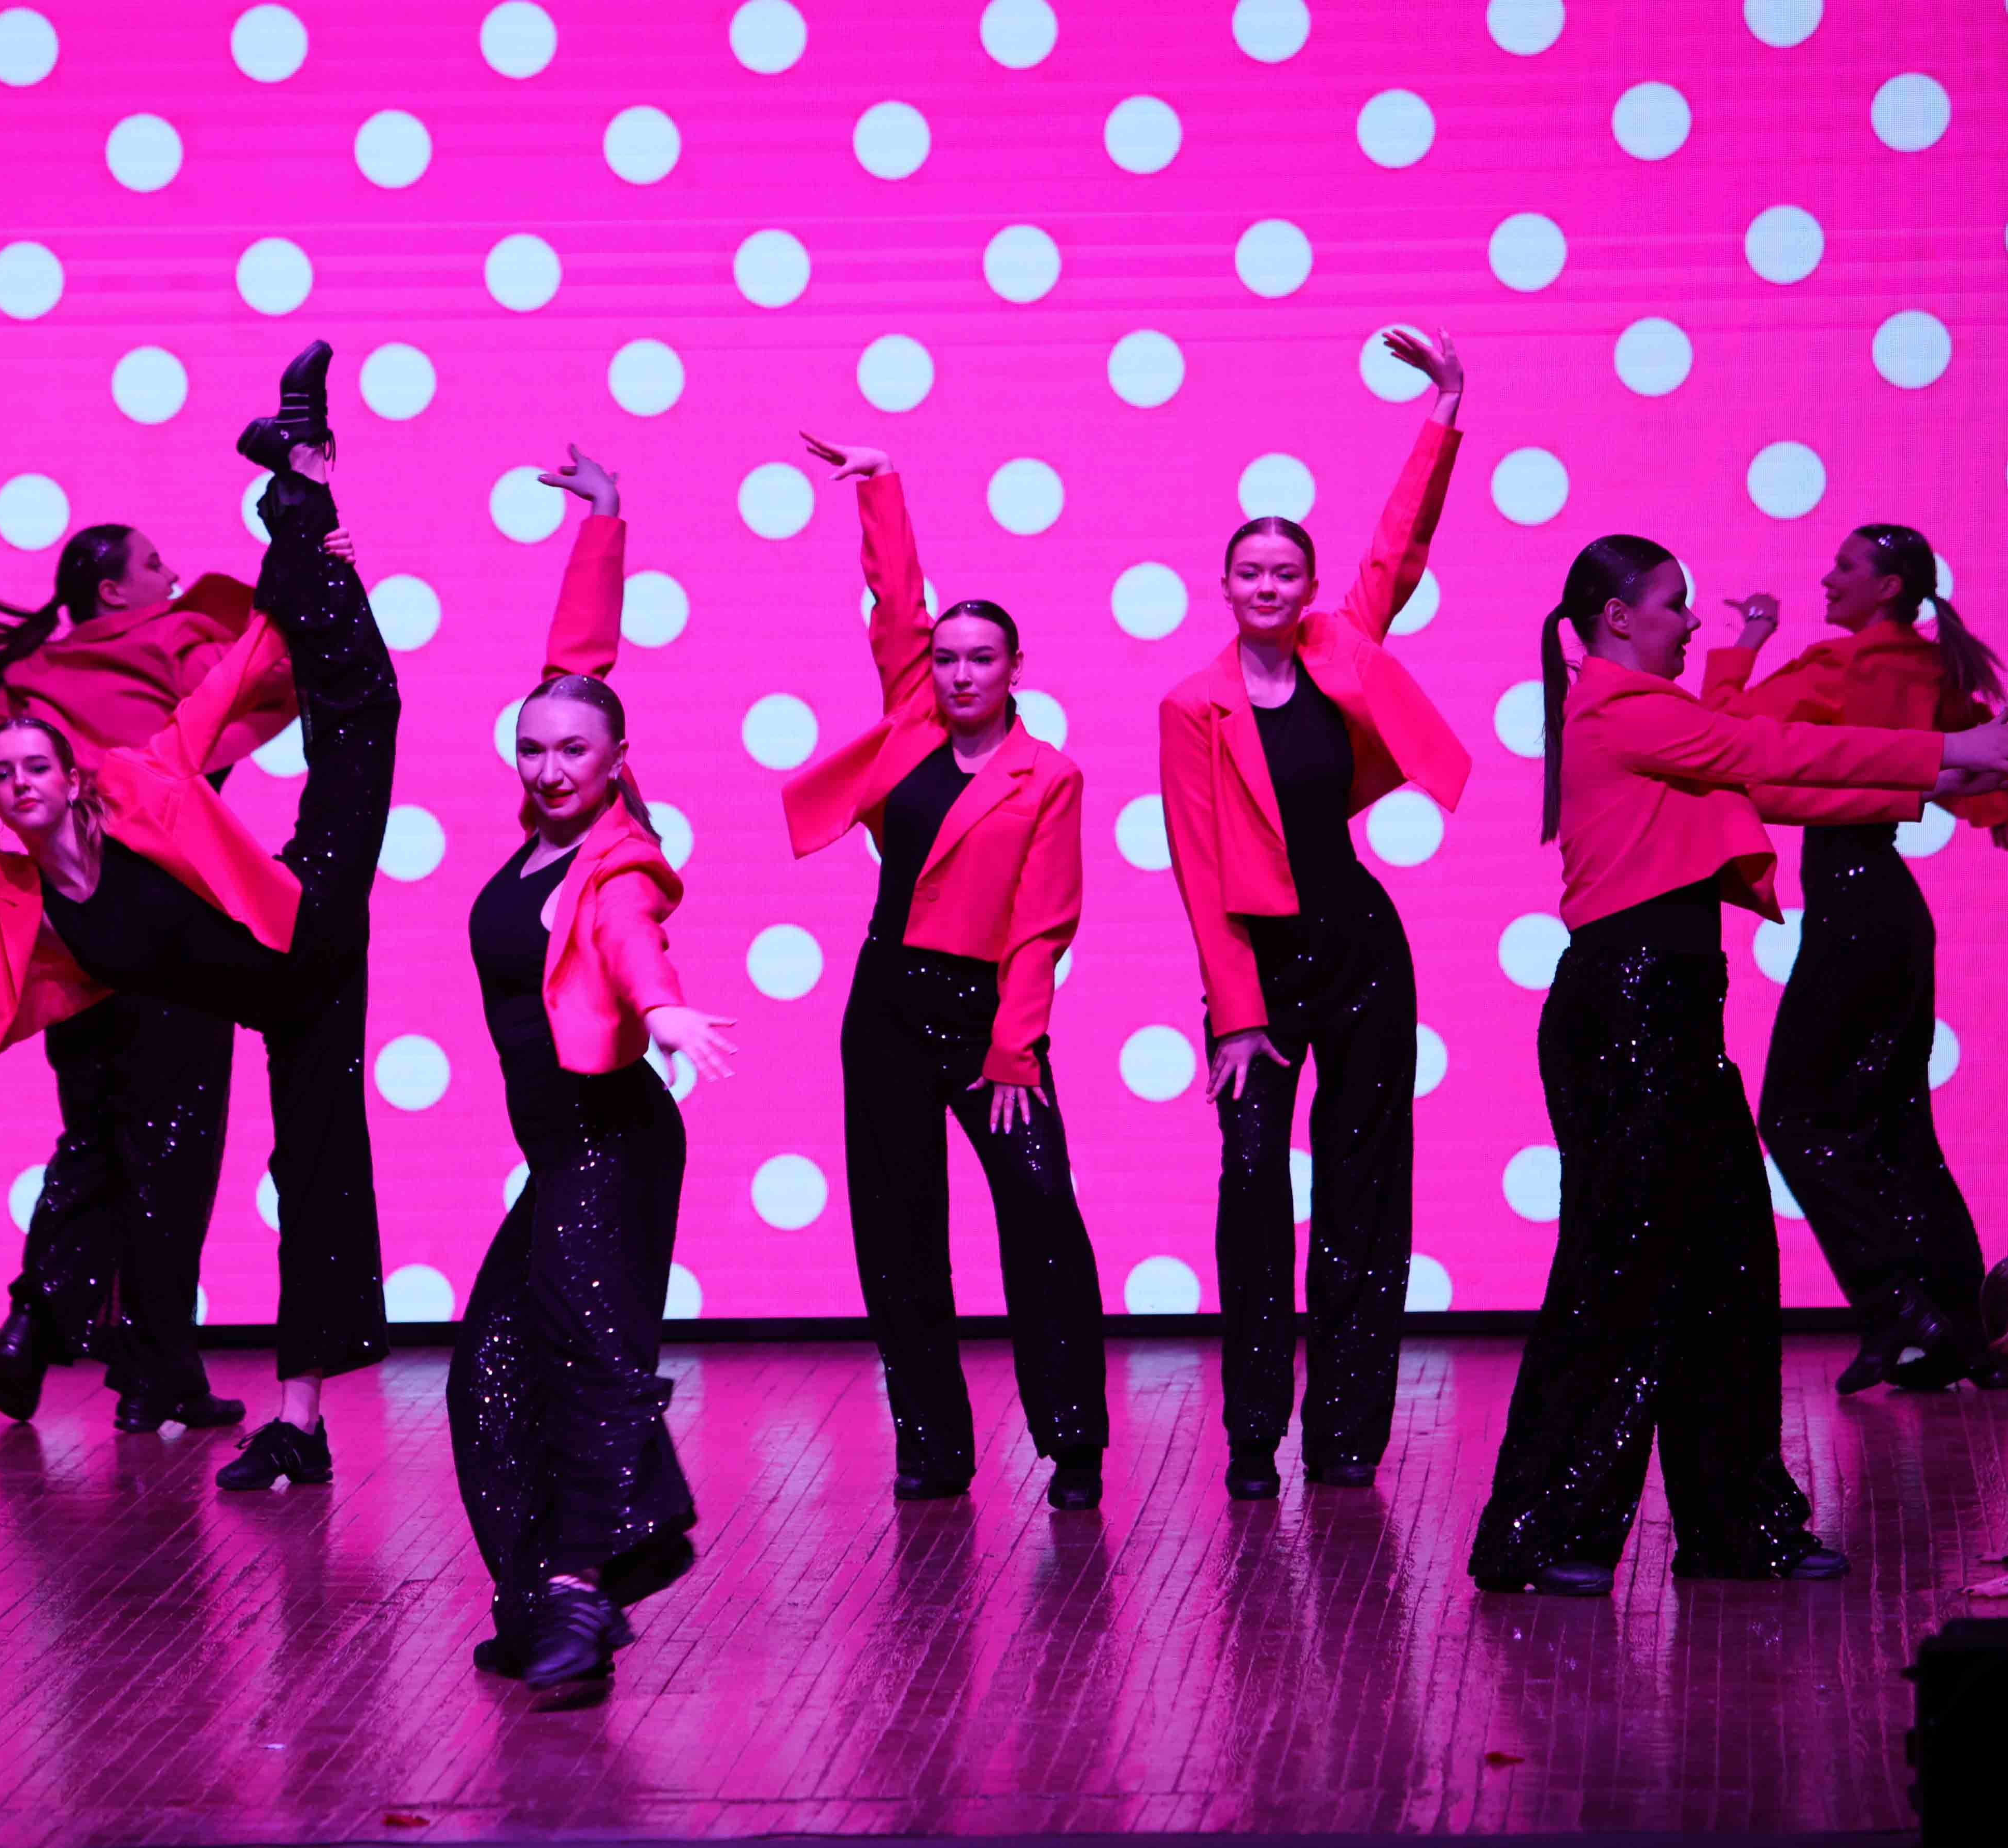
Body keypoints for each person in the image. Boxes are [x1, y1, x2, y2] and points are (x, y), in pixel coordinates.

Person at [1468, 535, 2008, 1596]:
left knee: (1727, 1277)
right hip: (1625, 1018)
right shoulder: (1617, 709)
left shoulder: (1651, 711)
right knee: (1616, 1278)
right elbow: (1764, 746)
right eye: (1675, 604)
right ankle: (1539, 1531)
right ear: (1618, 617)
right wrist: (1959, 746)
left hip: (1674, 1018)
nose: (1689, 620)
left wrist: (1953, 766)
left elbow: (1767, 767)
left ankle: (1736, 1526)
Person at [0, 341, 394, 1489]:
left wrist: (310, 565)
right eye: (3, 775)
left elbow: (234, 686)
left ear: (69, 772)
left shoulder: (129, 780)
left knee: (362, 706)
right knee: (291, 1169)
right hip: (276, 1002)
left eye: (37, 766)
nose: (19, 779)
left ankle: (303, 469)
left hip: (304, 914)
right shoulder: (10, 887)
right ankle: (293, 1418)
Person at [0, 518, 334, 1434]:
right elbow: (245, 686)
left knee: (95, 1142)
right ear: (112, 591)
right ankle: (155, 1371)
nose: (173, 572)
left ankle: (37, 1318)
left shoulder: (30, 684)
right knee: (172, 1166)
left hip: (79, 946)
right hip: (174, 940)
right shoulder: (177, 641)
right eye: (154, 562)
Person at [1158, 329, 1469, 1501]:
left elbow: (1400, 544)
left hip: (1360, 949)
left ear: (1306, 585)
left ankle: (1345, 1433)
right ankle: (1252, 1434)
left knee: (1362, 1185)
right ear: (1225, 586)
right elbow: (1199, 871)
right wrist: (1237, 1017)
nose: (1269, 588)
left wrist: (1444, 405)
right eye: (1251, 573)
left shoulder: (1343, 651)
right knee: (1252, 1190)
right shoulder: (1190, 705)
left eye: (1287, 573)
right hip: (1258, 967)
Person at [450, 445, 736, 1691]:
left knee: (589, 1357)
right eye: (534, 748)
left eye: (574, 750)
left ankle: (578, 1590)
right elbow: (578, 664)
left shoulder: (613, 857)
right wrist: (606, 522)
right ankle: (544, 1592)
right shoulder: (537, 836)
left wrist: (662, 1009)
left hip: (613, 1142)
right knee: (485, 1370)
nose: (551, 767)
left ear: (619, 761)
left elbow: (627, 937)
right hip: (561, 1153)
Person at [788, 431, 1106, 1513]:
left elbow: (1044, 924)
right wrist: (881, 487)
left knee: (1042, 1214)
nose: (961, 672)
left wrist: (1016, 1048)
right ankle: (932, 1445)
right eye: (949, 657)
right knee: (899, 1230)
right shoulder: (910, 730)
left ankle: (1072, 1442)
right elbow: (895, 608)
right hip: (886, 1003)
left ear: (1016, 668)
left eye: (982, 658)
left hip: (988, 1018)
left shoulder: (1047, 776)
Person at [1706, 526, 2004, 1393]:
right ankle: (1959, 1328)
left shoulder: (1841, 668)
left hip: (1854, 906)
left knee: (1794, 1116)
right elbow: (1986, 781)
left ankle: (1895, 1305)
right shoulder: (1929, 667)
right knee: (1901, 1124)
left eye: (1844, 567)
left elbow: (1719, 734)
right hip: (1895, 914)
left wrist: (1750, 638)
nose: (1827, 579)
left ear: (1889, 586)